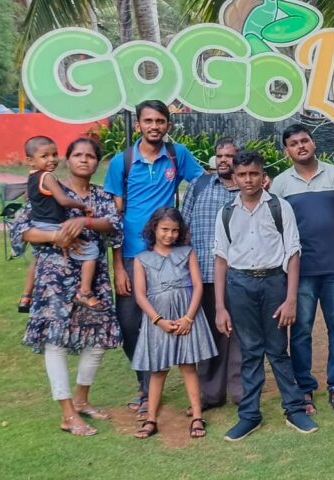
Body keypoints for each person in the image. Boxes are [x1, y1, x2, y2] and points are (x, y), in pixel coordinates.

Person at [11, 137, 122, 436]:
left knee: (100, 340)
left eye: (91, 156)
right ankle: (67, 414)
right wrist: (56, 236)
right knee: (55, 342)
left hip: (93, 279)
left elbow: (113, 225)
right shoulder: (49, 188)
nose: (84, 159)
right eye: (78, 154)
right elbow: (21, 230)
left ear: (97, 162)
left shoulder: (101, 197)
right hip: (54, 279)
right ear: (68, 159)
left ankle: (81, 399)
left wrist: (85, 223)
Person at [104, 100, 205, 419]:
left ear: (168, 125)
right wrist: (118, 265)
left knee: (178, 315)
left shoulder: (178, 155)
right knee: (131, 323)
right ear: (138, 125)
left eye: (160, 121)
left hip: (169, 257)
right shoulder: (123, 162)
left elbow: (204, 183)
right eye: (148, 120)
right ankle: (145, 386)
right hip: (134, 256)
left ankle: (169, 386)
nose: (155, 126)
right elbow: (114, 217)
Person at [214, 150, 318, 441]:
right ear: (234, 177)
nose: (248, 180)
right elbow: (221, 258)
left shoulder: (279, 207)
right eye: (242, 175)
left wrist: (291, 298)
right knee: (249, 352)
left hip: (273, 283)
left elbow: (293, 253)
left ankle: (294, 408)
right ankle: (249, 415)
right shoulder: (226, 212)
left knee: (277, 349)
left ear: (263, 176)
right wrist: (220, 307)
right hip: (239, 284)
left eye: (254, 174)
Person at [270, 124, 334, 414]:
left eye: (304, 140)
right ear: (286, 151)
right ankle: (304, 387)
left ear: (314, 143)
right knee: (300, 331)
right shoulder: (281, 184)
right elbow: (277, 231)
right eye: (293, 143)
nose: (300, 146)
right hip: (300, 271)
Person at [131, 208, 218, 439]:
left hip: (185, 316)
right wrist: (157, 320)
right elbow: (140, 294)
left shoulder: (187, 252)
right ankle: (151, 419)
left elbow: (198, 285)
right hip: (158, 319)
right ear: (154, 229)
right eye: (164, 230)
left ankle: (197, 416)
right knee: (158, 370)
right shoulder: (141, 260)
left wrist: (189, 318)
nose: (169, 235)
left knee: (189, 366)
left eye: (174, 230)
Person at [181, 137, 243, 412]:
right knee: (210, 335)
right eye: (220, 155)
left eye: (229, 156)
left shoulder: (246, 189)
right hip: (203, 274)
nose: (223, 160)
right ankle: (210, 394)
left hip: (238, 276)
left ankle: (240, 392)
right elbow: (182, 228)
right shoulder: (200, 186)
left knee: (239, 334)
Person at [23, 136, 101, 311]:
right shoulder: (48, 178)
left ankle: (25, 296)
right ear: (30, 160)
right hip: (50, 233)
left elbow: (114, 225)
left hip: (41, 225)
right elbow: (63, 201)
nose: (51, 159)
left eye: (54, 154)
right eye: (45, 156)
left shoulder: (33, 178)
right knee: (91, 250)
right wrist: (83, 207)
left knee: (35, 257)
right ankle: (84, 291)